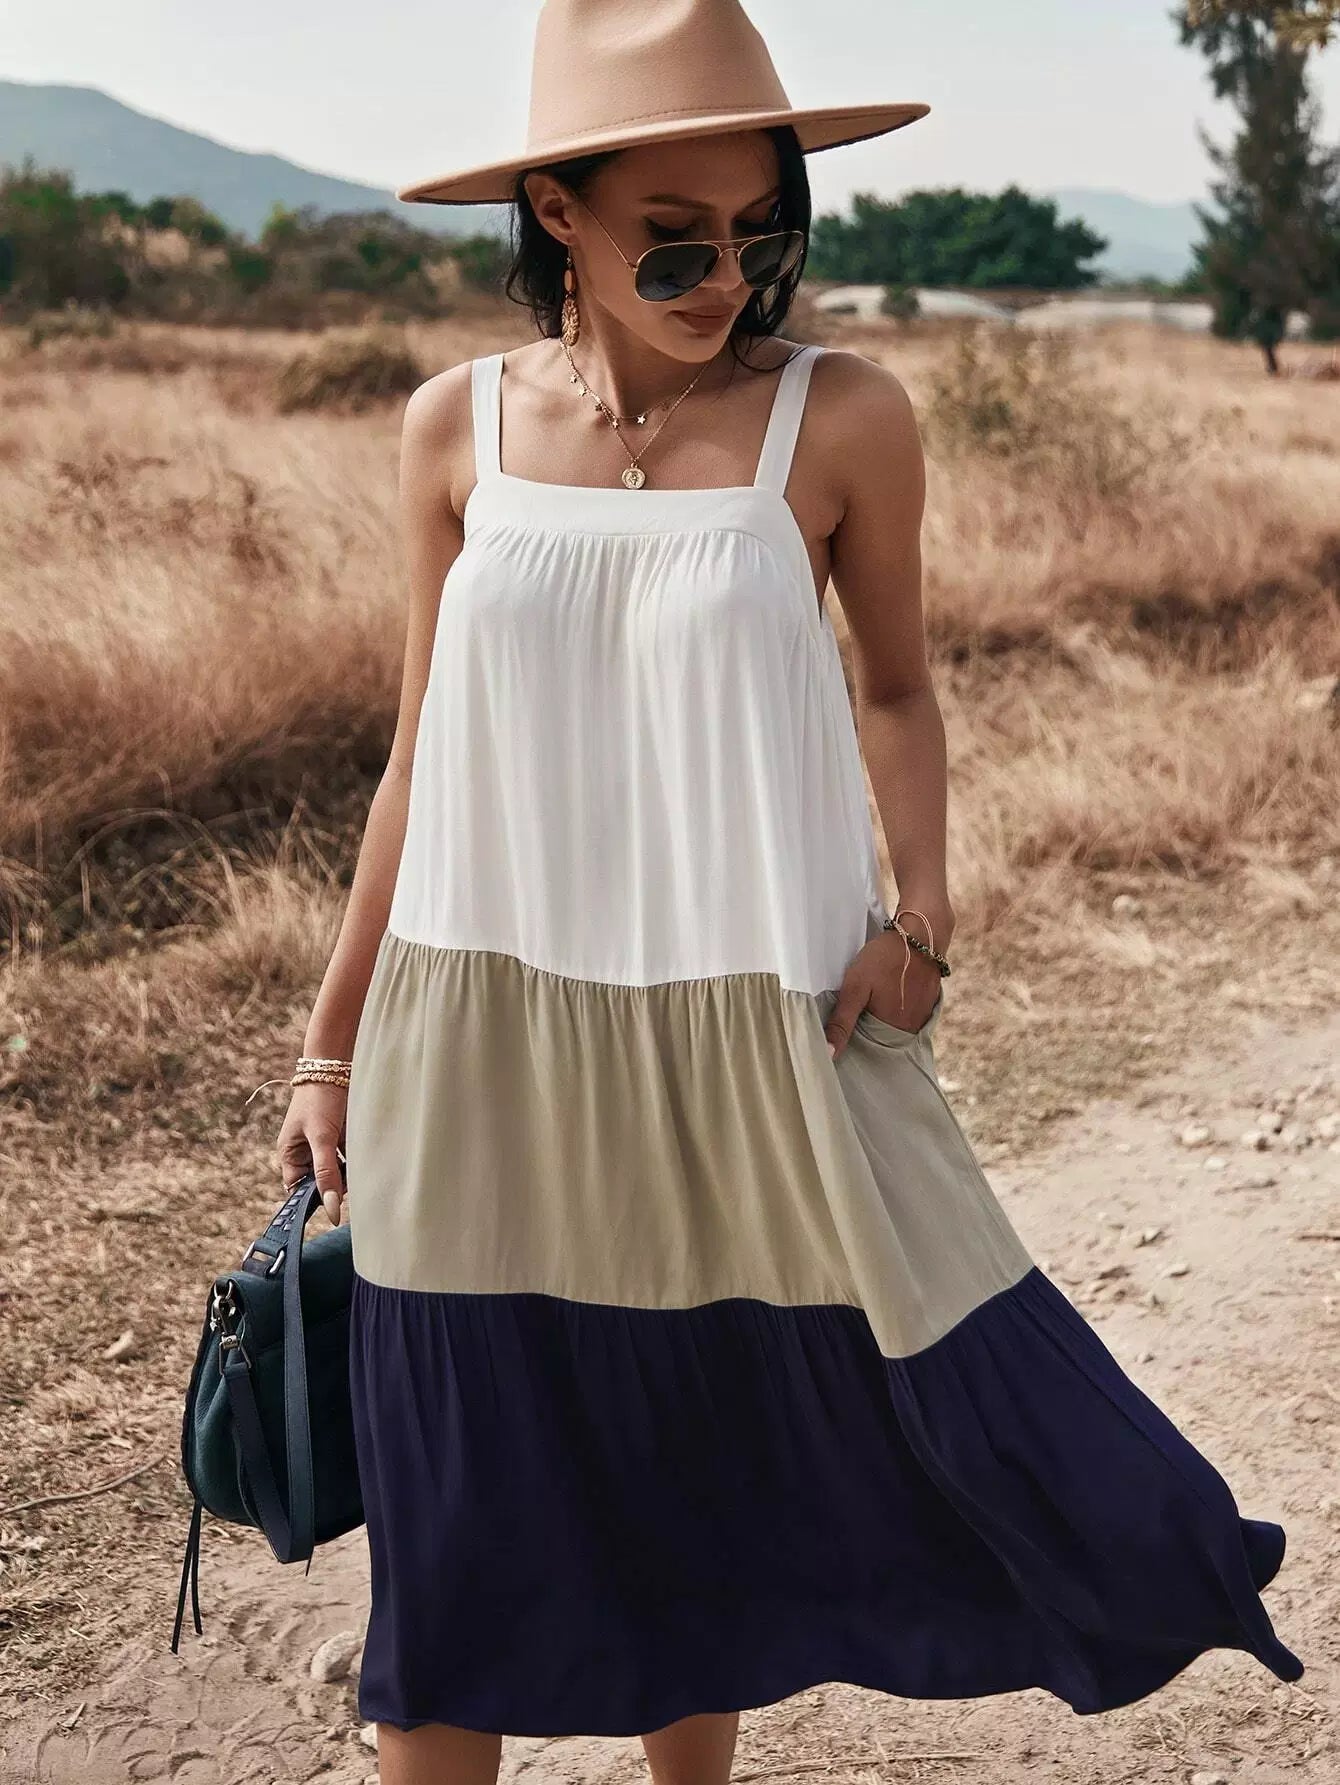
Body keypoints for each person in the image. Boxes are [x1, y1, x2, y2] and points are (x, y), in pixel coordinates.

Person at [274, 2, 1303, 1780]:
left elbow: (896, 687)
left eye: (763, 232)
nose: (728, 276)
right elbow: (418, 754)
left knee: (701, 1480)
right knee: (457, 1519)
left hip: (732, 1030)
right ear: (557, 212)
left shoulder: (843, 418)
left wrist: (924, 921)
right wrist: (328, 1039)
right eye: (673, 235)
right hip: (475, 1038)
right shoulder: (454, 430)